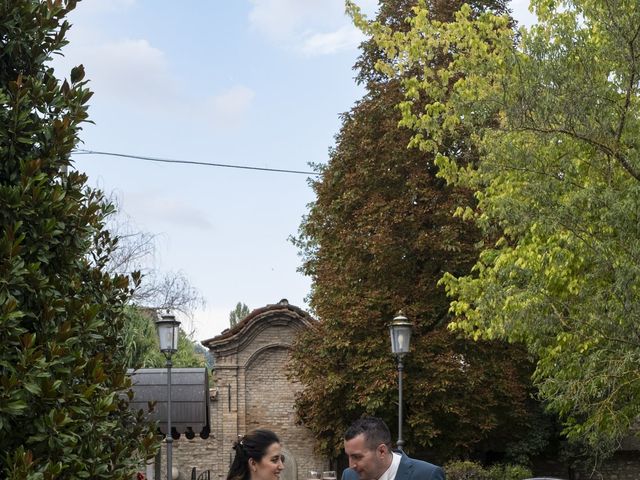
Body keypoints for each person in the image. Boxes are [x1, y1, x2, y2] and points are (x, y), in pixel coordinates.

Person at [342, 417, 445, 480]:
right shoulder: (349, 476)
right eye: (349, 457)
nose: (351, 465)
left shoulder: (427, 475)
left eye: (357, 457)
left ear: (382, 451)